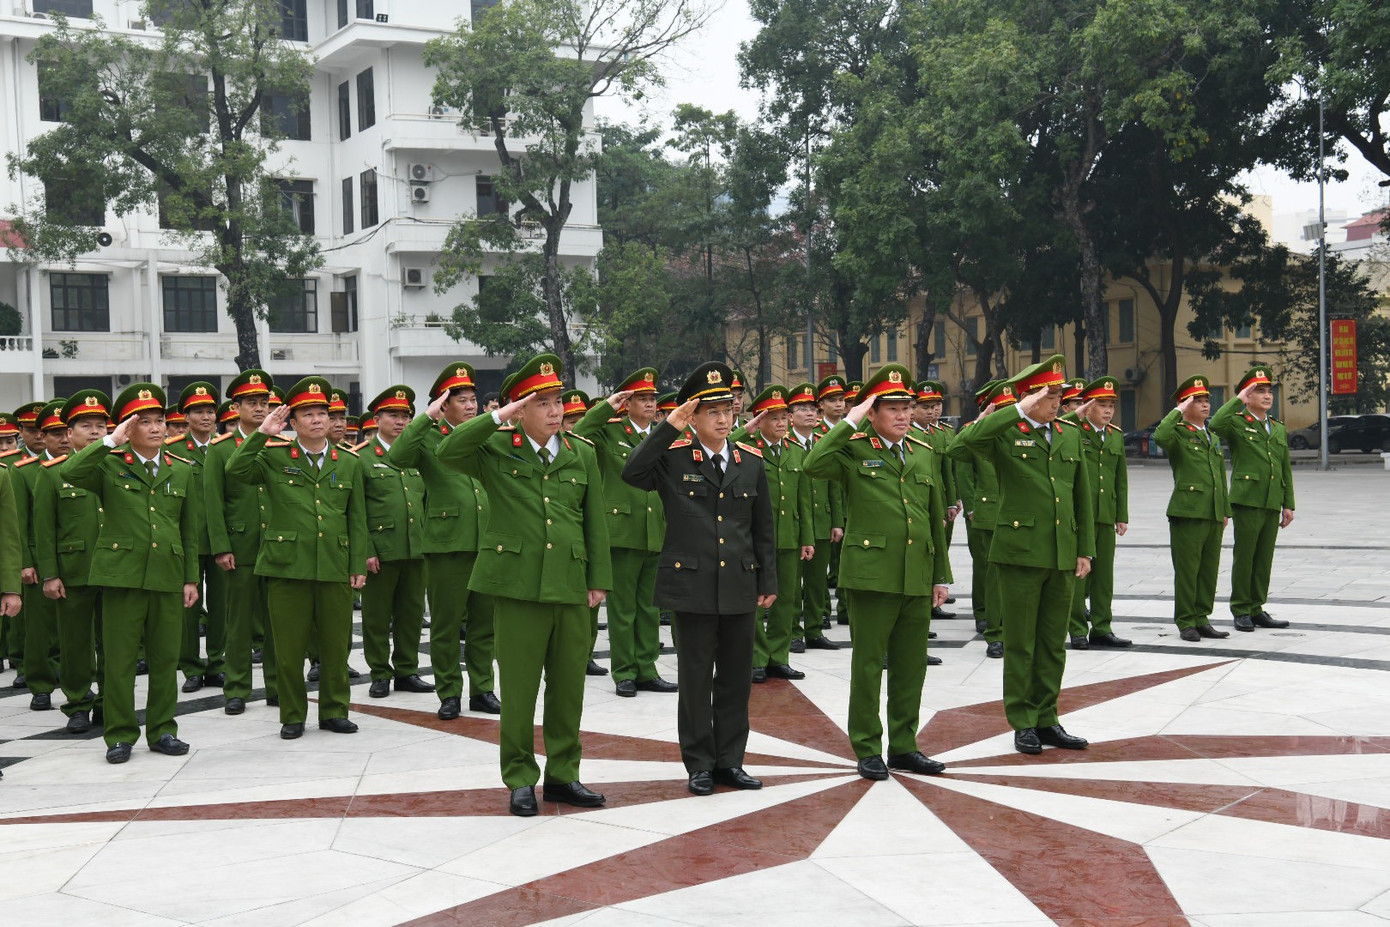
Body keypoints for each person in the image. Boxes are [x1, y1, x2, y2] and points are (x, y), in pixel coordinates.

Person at [436, 354, 613, 817]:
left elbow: (594, 521)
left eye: (558, 402)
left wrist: (599, 580)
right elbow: (448, 451)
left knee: (568, 687)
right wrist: (498, 416)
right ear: (521, 409)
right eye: (544, 403)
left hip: (572, 585)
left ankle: (563, 775)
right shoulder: (496, 448)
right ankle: (519, 777)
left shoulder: (582, 453)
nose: (556, 411)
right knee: (518, 690)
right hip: (516, 586)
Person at [622, 361, 776, 795]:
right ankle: (700, 764)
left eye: (729, 409)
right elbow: (632, 472)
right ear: (693, 416)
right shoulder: (672, 458)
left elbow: (762, 528)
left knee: (735, 678)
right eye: (713, 412)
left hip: (740, 586)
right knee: (694, 680)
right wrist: (668, 426)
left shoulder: (750, 462)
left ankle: (731, 761)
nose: (724, 419)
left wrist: (768, 582)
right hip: (691, 587)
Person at [803, 364, 952, 780]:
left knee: (911, 665)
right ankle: (867, 746)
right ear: (872, 412)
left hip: (916, 573)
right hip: (871, 574)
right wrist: (849, 420)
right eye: (891, 408)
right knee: (869, 665)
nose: (903, 415)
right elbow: (814, 463)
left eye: (907, 407)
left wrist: (940, 575)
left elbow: (933, 515)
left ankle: (904, 745)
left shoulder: (923, 450)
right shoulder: (853, 448)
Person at [953, 355, 1094, 757]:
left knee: (1053, 642)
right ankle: (1023, 721)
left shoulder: (1067, 433)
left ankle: (1048, 717)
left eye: (1059, 395)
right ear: (1031, 397)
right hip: (1019, 553)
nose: (1058, 402)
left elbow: (1080, 494)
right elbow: (961, 446)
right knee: (1022, 644)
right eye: (1050, 395)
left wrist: (1084, 548)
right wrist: (1014, 409)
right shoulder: (1004, 431)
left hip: (1061, 552)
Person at [61, 384, 201, 763]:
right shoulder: (109, 464)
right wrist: (109, 441)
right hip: (121, 575)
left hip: (168, 575)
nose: (156, 429)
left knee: (164, 659)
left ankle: (163, 730)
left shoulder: (183, 470)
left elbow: (189, 529)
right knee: (120, 660)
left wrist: (191, 578)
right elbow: (71, 471)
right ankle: (120, 735)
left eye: (160, 421)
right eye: (146, 423)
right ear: (129, 428)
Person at [227, 376, 368, 740]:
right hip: (287, 565)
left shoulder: (348, 461)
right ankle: (292, 714)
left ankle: (335, 710)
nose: (318, 420)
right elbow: (236, 471)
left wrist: (357, 565)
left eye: (323, 412)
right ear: (293, 422)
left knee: (336, 646)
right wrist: (262, 433)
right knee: (288, 648)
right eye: (308, 414)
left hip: (334, 565)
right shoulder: (274, 456)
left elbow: (357, 518)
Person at [390, 363, 500, 719]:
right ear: (444, 405)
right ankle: (449, 691)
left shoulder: (486, 434)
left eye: (472, 399)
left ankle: (482, 689)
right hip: (447, 544)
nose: (470, 406)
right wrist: (425, 418)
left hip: (488, 541)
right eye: (461, 400)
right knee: (447, 625)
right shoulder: (429, 438)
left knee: (485, 625)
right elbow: (397, 456)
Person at [575, 368, 676, 698]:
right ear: (627, 404)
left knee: (649, 607)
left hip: (655, 531)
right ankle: (624, 671)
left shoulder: (664, 435)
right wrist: (607, 405)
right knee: (622, 610)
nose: (649, 404)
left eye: (651, 398)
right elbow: (579, 431)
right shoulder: (610, 433)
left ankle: (647, 668)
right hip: (621, 532)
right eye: (641, 399)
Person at [35, 390, 111, 734]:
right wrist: (50, 574)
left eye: (100, 425)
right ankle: (78, 702)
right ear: (69, 433)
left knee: (113, 642)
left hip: (114, 570)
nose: (94, 432)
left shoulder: (119, 465)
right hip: (73, 570)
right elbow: (45, 530)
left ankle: (111, 701)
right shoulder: (53, 473)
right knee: (76, 643)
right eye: (85, 425)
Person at [204, 370, 278, 714]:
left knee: (278, 620)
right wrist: (221, 546)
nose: (260, 409)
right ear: (237, 407)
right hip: (241, 545)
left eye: (264, 403)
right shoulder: (220, 449)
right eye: (252, 403)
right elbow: (213, 501)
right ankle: (236, 688)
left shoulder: (282, 444)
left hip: (278, 544)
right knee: (239, 622)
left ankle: (278, 685)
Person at [359, 385, 434, 698]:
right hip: (381, 550)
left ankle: (407, 670)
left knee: (411, 614)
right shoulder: (362, 457)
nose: (401, 421)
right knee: (377, 617)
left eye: (406, 415)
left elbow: (429, 501)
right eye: (393, 415)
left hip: (416, 548)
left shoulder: (419, 455)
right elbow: (356, 510)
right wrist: (365, 549)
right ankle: (379, 672)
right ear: (378, 418)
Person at [735, 385, 814, 681]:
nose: (782, 423)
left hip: (790, 536)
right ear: (760, 420)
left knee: (786, 599)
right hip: (756, 538)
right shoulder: (747, 449)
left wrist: (807, 537)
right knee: (756, 598)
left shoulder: (795, 450)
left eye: (784, 417)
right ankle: (756, 657)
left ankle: (779, 657)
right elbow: (726, 446)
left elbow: (803, 498)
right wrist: (747, 430)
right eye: (775, 418)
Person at [1210, 365, 1295, 632]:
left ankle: (1257, 607)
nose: (1267, 396)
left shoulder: (1277, 428)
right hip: (1247, 499)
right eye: (1260, 391)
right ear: (1248, 395)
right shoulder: (1236, 422)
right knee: (1245, 556)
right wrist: (1238, 400)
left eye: (1269, 391)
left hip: (1271, 499)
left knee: (1263, 557)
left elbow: (1285, 467)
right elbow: (1215, 424)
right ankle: (1241, 609)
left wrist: (1288, 503)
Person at [1154, 376, 1232, 642]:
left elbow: (1221, 475)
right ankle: (1186, 620)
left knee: (1209, 569)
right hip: (1187, 512)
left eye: (1206, 400)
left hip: (1212, 512)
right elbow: (1159, 435)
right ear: (1184, 404)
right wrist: (1177, 410)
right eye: (1196, 400)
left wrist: (1225, 510)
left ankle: (1202, 617)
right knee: (1188, 570)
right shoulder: (1177, 433)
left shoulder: (1210, 435)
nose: (1204, 405)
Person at [1064, 377, 1132, 650]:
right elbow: (1058, 425)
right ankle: (1078, 628)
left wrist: (1121, 514)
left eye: (1111, 406)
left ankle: (1102, 627)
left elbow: (1121, 478)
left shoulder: (1114, 435)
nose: (1107, 411)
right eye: (1101, 405)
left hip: (1105, 514)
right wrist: (1076, 412)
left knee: (1104, 576)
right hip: (1081, 516)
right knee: (1080, 575)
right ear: (1087, 406)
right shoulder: (1072, 430)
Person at [948, 380, 1015, 658]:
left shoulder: (1016, 434)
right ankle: (984, 613)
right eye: (1001, 408)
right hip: (984, 512)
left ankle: (1004, 618)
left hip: (1012, 512)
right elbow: (964, 472)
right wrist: (972, 506)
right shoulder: (973, 434)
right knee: (985, 567)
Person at [169, 382, 225, 694]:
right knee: (188, 605)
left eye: (210, 411)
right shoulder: (174, 450)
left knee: (220, 606)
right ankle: (190, 666)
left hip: (219, 540)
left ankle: (217, 663)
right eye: (198, 411)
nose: (205, 417)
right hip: (185, 540)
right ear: (186, 415)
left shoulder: (224, 447)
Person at [15, 399, 69, 711]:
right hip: (37, 558)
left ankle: (74, 678)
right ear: (42, 437)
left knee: (76, 627)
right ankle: (41, 684)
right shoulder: (24, 472)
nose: (63, 438)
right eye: (54, 433)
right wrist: (24, 562)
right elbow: (19, 523)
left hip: (76, 557)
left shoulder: (87, 465)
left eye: (66, 432)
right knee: (39, 628)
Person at [786, 382, 841, 651]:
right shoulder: (784, 443)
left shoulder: (822, 444)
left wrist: (837, 521)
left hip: (821, 522)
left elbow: (834, 485)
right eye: (801, 409)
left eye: (811, 408)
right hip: (794, 524)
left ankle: (815, 629)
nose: (808, 413)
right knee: (794, 583)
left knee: (817, 582)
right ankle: (794, 631)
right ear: (790, 415)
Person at [913, 380, 961, 628]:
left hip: (941, 500)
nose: (932, 411)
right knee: (924, 556)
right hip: (922, 503)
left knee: (940, 553)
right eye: (926, 407)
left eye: (936, 406)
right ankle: (923, 607)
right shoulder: (909, 434)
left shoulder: (944, 433)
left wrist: (952, 502)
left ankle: (935, 601)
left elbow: (948, 471)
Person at [815, 375, 850, 627]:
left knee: (849, 563)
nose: (838, 405)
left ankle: (848, 608)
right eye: (832, 400)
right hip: (827, 508)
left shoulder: (854, 432)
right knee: (823, 567)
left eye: (841, 400)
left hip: (853, 505)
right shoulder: (818, 434)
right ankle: (823, 611)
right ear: (821, 405)